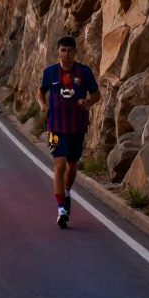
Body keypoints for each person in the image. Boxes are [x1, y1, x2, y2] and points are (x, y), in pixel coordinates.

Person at [37, 35, 101, 228]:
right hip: (55, 126)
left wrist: (88, 102)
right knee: (60, 164)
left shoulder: (84, 72)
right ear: (58, 51)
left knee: (72, 167)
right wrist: (42, 104)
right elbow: (41, 90)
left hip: (77, 126)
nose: (66, 54)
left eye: (70, 51)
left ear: (76, 51)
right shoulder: (50, 72)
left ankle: (66, 193)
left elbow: (96, 93)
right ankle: (61, 209)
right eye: (63, 50)